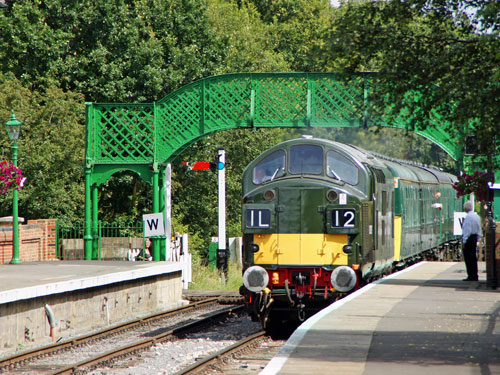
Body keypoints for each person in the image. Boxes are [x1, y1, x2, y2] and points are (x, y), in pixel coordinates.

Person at [462, 201, 482, 281]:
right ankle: (475, 275)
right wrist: (479, 239)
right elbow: (479, 228)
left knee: (468, 258)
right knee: (473, 257)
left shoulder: (468, 217)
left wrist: (464, 241)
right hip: (474, 238)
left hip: (469, 238)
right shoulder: (476, 216)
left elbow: (467, 230)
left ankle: (471, 275)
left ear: (466, 209)